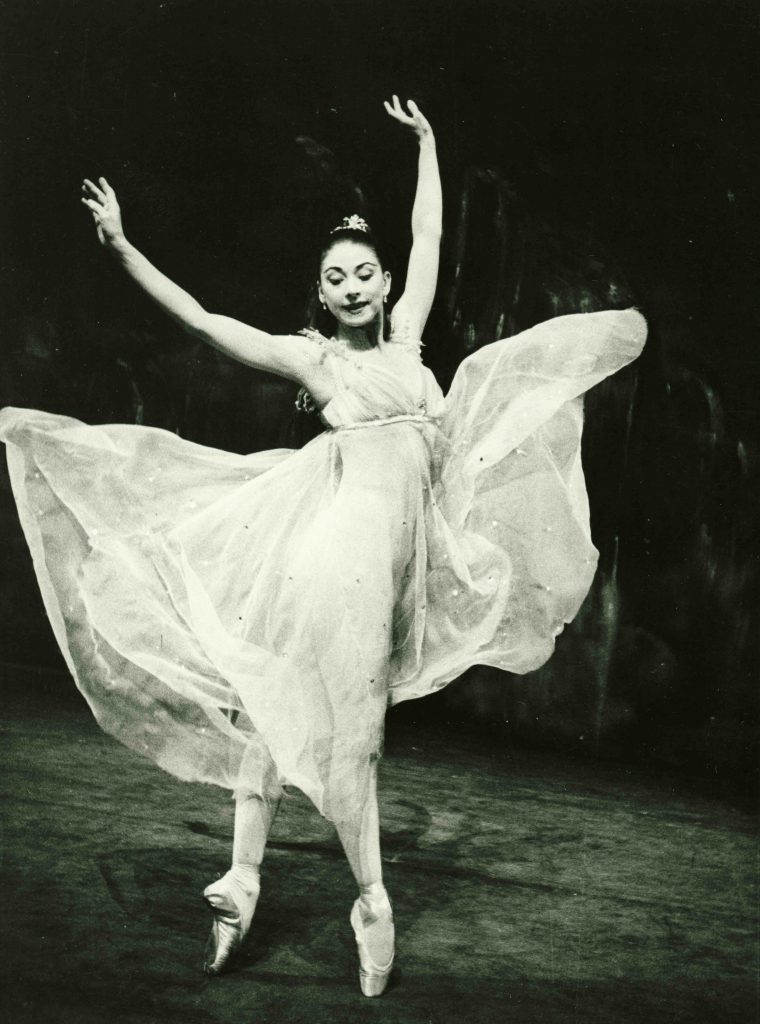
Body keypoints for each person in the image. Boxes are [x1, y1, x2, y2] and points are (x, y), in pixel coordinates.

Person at [0, 96, 646, 997]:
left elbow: (429, 238)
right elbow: (203, 321)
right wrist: (121, 247)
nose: (350, 286)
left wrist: (428, 147)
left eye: (363, 273)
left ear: (383, 286)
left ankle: (245, 878)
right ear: (322, 292)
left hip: (398, 566)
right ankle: (370, 900)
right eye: (335, 276)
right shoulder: (317, 363)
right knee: (352, 735)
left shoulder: (413, 345)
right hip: (336, 553)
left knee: (285, 710)